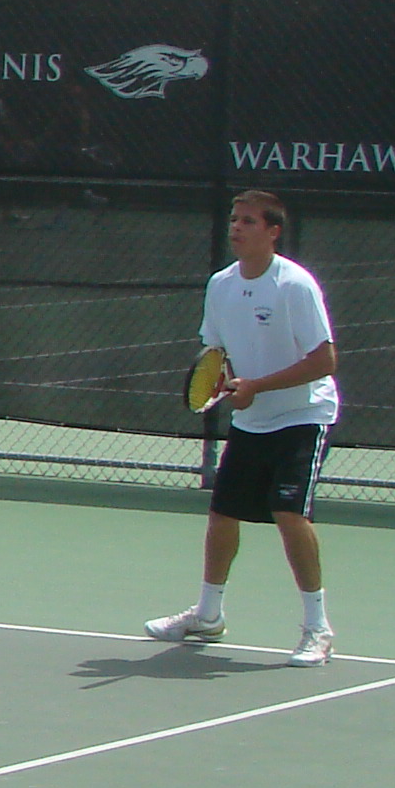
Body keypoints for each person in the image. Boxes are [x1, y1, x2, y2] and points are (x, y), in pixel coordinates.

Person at [146, 190, 340, 666]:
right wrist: (231, 383)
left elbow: (325, 360)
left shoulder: (295, 285)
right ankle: (208, 615)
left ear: (273, 232)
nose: (236, 227)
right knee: (222, 514)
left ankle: (317, 628)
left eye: (249, 221)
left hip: (303, 416)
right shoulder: (221, 285)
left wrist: (258, 386)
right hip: (251, 420)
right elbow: (216, 353)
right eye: (234, 219)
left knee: (288, 513)